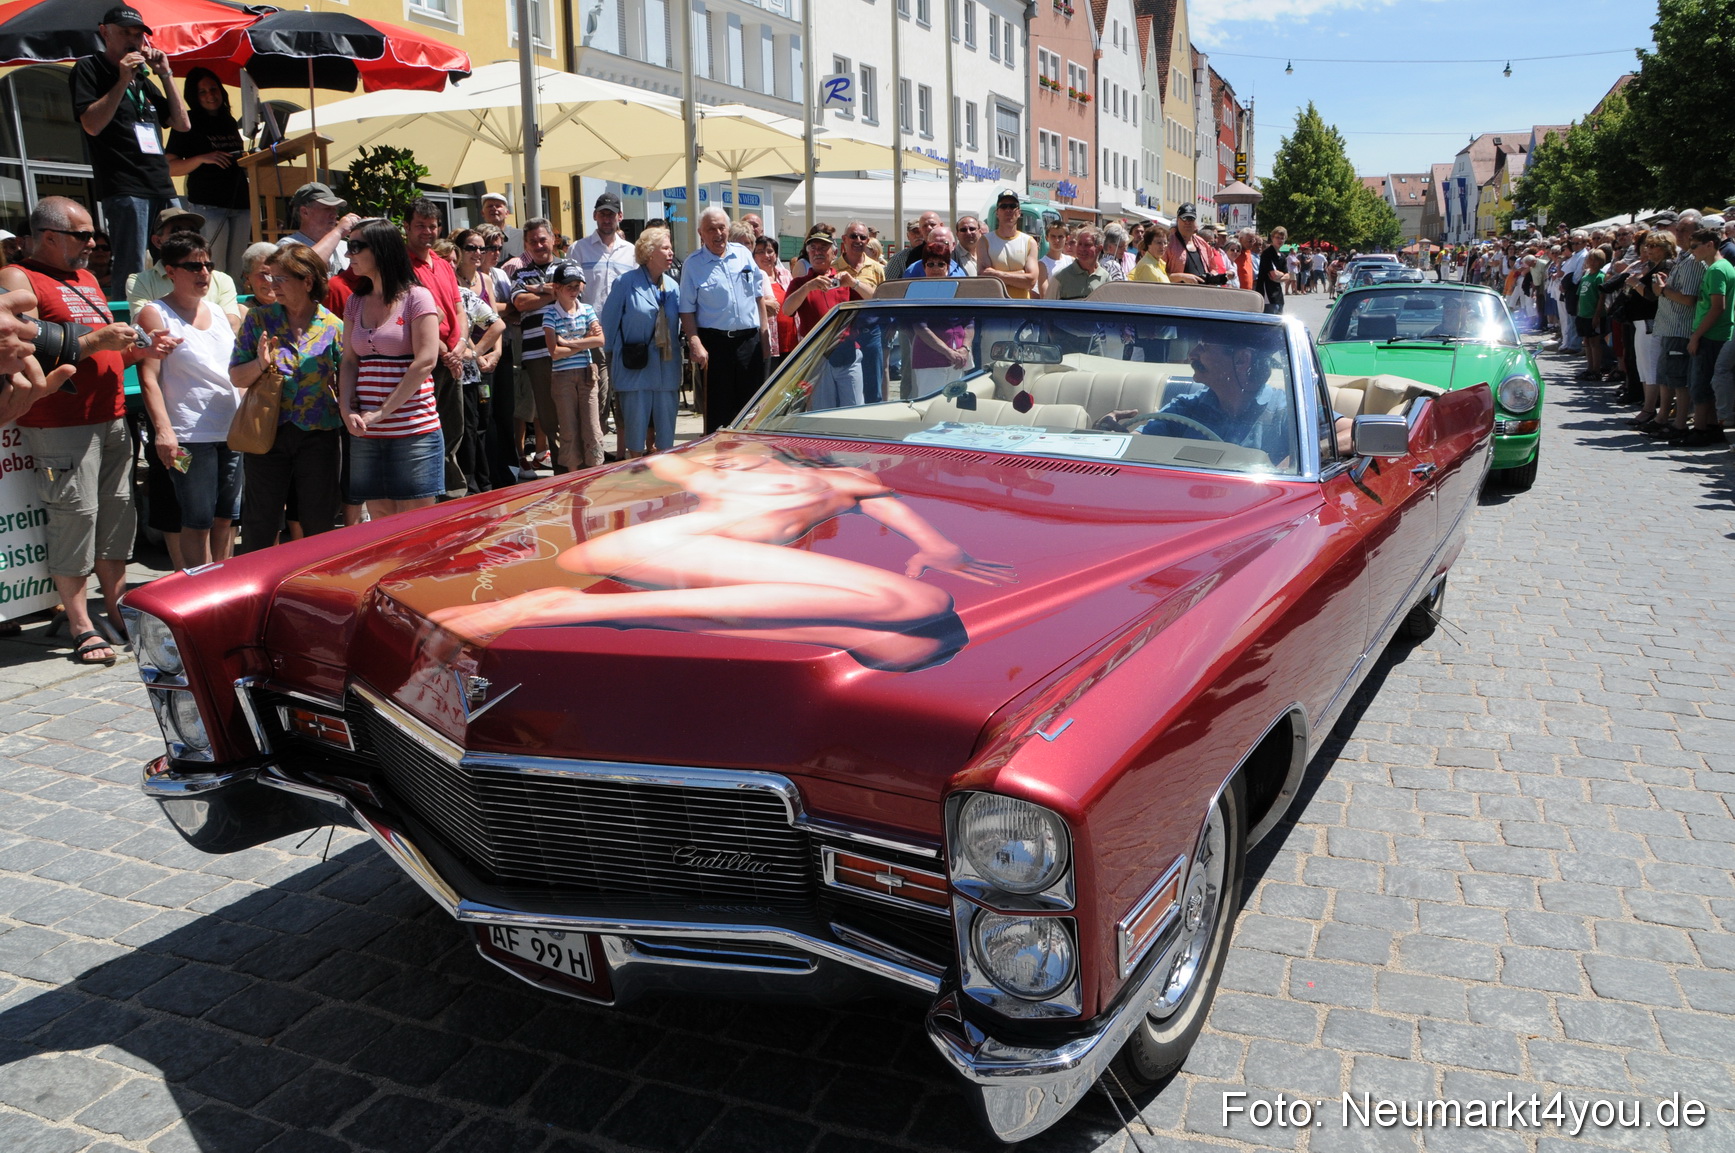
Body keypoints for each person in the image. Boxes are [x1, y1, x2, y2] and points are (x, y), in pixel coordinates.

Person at [424, 440, 1014, 674]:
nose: (735, 456)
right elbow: (638, 478)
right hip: (661, 545)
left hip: (706, 559)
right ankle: (554, 608)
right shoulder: (714, 456)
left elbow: (923, 533)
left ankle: (590, 610)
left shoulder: (850, 478)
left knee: (917, 642)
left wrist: (941, 550)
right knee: (920, 601)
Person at [0, 197, 175, 664]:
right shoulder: (20, 278)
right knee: (75, 517)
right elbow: (21, 346)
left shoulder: (88, 278)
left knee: (118, 516)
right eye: (83, 235)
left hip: (111, 414)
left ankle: (116, 609)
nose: (94, 243)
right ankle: (79, 621)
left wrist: (142, 348)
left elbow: (104, 352)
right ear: (50, 236)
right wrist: (100, 340)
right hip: (61, 422)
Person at [134, 232, 239, 568]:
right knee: (196, 521)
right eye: (194, 266)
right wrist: (164, 432)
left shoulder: (219, 312)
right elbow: (148, 377)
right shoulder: (155, 313)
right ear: (170, 271)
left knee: (226, 519)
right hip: (188, 437)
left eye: (208, 265)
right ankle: (202, 592)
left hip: (233, 431)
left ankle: (223, 589)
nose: (204, 273)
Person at [72, 5, 191, 298]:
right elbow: (92, 125)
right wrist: (122, 79)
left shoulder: (145, 81)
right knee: (133, 267)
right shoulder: (89, 69)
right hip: (125, 187)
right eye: (125, 32)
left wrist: (166, 75)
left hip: (161, 185)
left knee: (181, 260)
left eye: (138, 35)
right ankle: (128, 331)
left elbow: (182, 124)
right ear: (104, 32)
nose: (133, 40)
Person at [231, 242, 343, 551]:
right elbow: (236, 376)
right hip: (267, 432)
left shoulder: (333, 326)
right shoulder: (258, 320)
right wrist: (260, 363)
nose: (271, 285)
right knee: (260, 521)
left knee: (318, 520)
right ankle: (258, 589)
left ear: (307, 281)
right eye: (269, 277)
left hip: (318, 433)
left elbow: (348, 379)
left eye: (280, 278)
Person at [338, 220, 444, 518]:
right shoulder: (355, 302)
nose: (350, 255)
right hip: (367, 432)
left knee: (417, 523)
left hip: (414, 431)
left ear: (382, 249)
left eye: (356, 247)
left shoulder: (416, 297)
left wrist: (382, 412)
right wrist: (346, 409)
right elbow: (348, 361)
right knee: (381, 521)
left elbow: (426, 361)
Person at [1101, 330, 1293, 464]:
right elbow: (1140, 443)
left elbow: (1322, 446)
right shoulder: (1185, 410)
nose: (1191, 354)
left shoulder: (1288, 413)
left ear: (1242, 359)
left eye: (1203, 346)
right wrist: (1107, 440)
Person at [680, 206, 771, 434]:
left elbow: (758, 296)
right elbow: (686, 309)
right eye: (711, 229)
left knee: (751, 410)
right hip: (715, 345)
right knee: (718, 413)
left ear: (728, 229)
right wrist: (695, 342)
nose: (718, 233)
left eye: (722, 227)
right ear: (701, 232)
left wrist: (764, 331)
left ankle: (749, 459)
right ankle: (719, 461)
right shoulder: (693, 264)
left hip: (749, 342)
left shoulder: (742, 254)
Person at [600, 226, 682, 457]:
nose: (670, 253)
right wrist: (611, 362)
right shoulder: (626, 283)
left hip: (667, 369)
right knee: (635, 437)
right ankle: (635, 477)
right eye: (665, 248)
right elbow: (609, 325)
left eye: (671, 248)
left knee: (667, 438)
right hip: (634, 368)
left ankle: (666, 481)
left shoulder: (674, 287)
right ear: (648, 252)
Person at [165, 69, 250, 279]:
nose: (210, 95)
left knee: (237, 270)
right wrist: (202, 158)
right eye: (202, 92)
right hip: (208, 205)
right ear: (194, 96)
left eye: (213, 89)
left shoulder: (229, 121)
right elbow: (169, 167)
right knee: (213, 267)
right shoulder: (186, 123)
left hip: (240, 202)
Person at [572, 191, 637, 455]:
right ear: (595, 216)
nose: (607, 219)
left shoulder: (631, 252)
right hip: (591, 336)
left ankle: (621, 454)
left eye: (612, 214)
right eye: (603, 214)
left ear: (620, 217)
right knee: (594, 397)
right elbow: (571, 290)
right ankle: (594, 455)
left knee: (622, 397)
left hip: (623, 336)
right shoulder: (579, 248)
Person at [782, 228, 864, 409]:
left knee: (854, 409)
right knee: (821, 410)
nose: (818, 252)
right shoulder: (800, 283)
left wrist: (854, 283)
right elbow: (787, 310)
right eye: (813, 248)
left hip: (847, 352)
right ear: (808, 253)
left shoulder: (844, 279)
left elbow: (875, 298)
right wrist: (808, 287)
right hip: (817, 356)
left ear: (834, 252)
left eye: (823, 248)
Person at [126, 207, 242, 332]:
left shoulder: (222, 279)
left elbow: (232, 326)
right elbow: (146, 327)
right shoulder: (140, 281)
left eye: (193, 231)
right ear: (158, 241)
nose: (186, 235)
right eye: (176, 230)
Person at [509, 217, 564, 468]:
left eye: (543, 239)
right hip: (536, 354)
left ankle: (578, 465)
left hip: (567, 351)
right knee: (546, 414)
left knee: (571, 410)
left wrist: (538, 290)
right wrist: (552, 291)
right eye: (533, 241)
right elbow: (520, 304)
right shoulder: (520, 273)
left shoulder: (568, 266)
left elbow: (572, 295)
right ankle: (561, 467)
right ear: (526, 245)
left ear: (553, 239)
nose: (539, 245)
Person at [544, 260, 606, 471]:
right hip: (562, 376)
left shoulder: (587, 309)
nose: (574, 291)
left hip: (587, 373)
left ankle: (594, 472)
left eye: (577, 286)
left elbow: (599, 340)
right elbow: (555, 352)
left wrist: (570, 343)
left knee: (592, 425)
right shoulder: (550, 314)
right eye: (569, 286)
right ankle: (572, 474)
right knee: (569, 427)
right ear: (557, 288)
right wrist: (585, 340)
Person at [1680, 229, 1731, 446]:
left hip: (1711, 334)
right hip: (1715, 334)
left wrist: (1696, 335)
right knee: (1706, 382)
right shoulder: (1723, 266)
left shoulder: (1717, 270)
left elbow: (1718, 307)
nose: (1692, 252)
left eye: (1695, 247)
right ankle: (1710, 427)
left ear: (1710, 245)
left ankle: (1700, 429)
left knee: (1700, 384)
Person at [833, 220, 885, 401]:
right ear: (844, 239)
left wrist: (855, 284)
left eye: (863, 237)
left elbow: (881, 300)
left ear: (868, 240)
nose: (858, 240)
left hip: (870, 334)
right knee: (845, 389)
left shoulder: (877, 268)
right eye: (853, 236)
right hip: (841, 336)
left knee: (873, 390)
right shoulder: (833, 267)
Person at [281, 182, 361, 277]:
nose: (334, 214)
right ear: (305, 212)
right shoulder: (287, 245)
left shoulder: (344, 246)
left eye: (335, 209)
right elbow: (304, 269)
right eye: (327, 209)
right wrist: (339, 231)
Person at [980, 191, 1039, 299]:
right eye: (1003, 206)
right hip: (994, 307)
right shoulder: (985, 241)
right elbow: (985, 279)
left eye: (1012, 206)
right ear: (997, 212)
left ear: (1019, 212)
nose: (1008, 210)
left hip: (1021, 308)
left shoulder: (1029, 242)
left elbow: (1031, 281)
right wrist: (1020, 273)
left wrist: (996, 275)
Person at [1166, 204, 1231, 286]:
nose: (1188, 222)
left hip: (1202, 294)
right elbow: (1159, 274)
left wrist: (1212, 276)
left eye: (1191, 219)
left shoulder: (1202, 243)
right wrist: (1181, 277)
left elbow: (1214, 268)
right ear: (1178, 219)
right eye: (1184, 218)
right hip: (1177, 294)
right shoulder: (1168, 244)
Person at [756, 235, 795, 372]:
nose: (766, 255)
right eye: (760, 252)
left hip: (791, 342)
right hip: (770, 344)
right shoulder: (753, 278)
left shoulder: (786, 274)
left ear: (776, 254)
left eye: (770, 251)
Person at [1045, 226, 1111, 300]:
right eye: (1079, 244)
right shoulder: (1060, 278)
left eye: (1087, 245)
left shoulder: (1106, 278)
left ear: (1099, 248)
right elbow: (1047, 308)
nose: (1082, 249)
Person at [886, 211, 943, 279]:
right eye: (915, 232)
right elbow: (888, 284)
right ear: (908, 236)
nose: (919, 235)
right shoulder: (899, 258)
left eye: (920, 231)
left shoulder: (947, 251)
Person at [1257, 226, 1291, 314]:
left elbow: (1287, 276)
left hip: (1278, 294)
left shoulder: (1282, 256)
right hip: (1268, 294)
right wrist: (1280, 276)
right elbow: (1273, 275)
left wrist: (1280, 277)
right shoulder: (1267, 253)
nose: (1280, 240)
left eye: (1282, 238)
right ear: (1272, 238)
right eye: (1277, 238)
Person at [480, 192, 522, 260]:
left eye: (498, 206)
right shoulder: (478, 237)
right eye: (490, 206)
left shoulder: (521, 236)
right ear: (482, 213)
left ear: (507, 213)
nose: (494, 208)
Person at [239, 241, 280, 310]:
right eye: (263, 274)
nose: (270, 280)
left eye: (277, 274)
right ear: (247, 277)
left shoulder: (297, 309)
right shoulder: (243, 312)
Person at [1037, 218, 1071, 297]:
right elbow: (1045, 295)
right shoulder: (1042, 264)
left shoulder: (1071, 261)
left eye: (1060, 237)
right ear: (1046, 238)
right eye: (1053, 236)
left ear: (1067, 238)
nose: (1057, 240)